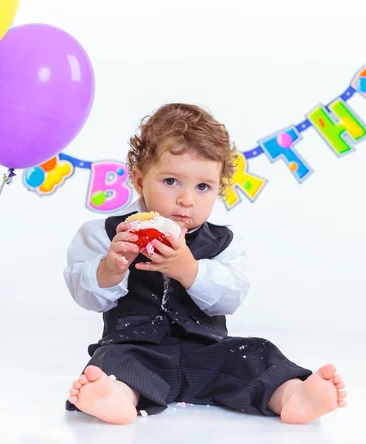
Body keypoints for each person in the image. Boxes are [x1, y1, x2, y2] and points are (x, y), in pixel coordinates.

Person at [63, 103, 347, 425]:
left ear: (219, 190)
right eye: (171, 181)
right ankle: (116, 396)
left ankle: (293, 395)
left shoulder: (223, 243)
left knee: (256, 353)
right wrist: (110, 269)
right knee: (111, 359)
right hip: (139, 350)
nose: (187, 199)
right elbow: (84, 294)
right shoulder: (108, 234)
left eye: (202, 187)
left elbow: (231, 297)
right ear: (141, 180)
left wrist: (190, 270)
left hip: (208, 353)